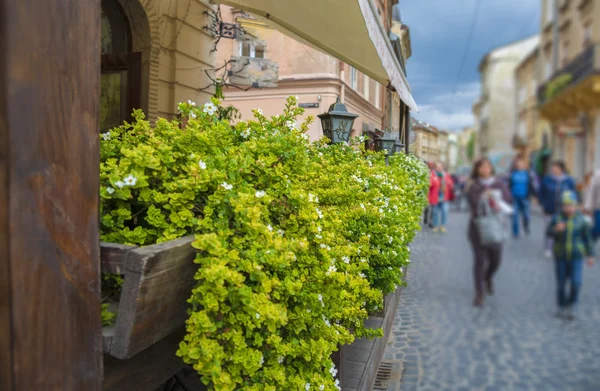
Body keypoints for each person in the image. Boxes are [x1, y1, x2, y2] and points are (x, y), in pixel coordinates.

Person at [467, 158, 512, 307]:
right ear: (478, 169)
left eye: (488, 166)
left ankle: (488, 277)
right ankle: (479, 293)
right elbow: (472, 204)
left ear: (491, 168)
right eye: (482, 166)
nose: (485, 169)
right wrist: (482, 198)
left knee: (496, 259)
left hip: (496, 227)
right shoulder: (474, 185)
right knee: (479, 261)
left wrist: (496, 199)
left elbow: (508, 200)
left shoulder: (499, 184)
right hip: (478, 228)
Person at [546, 190, 594, 320]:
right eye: (566, 205)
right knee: (561, 284)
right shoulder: (557, 218)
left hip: (576, 256)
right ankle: (561, 305)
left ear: (576, 206)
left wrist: (590, 255)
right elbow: (548, 233)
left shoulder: (582, 220)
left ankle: (573, 304)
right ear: (562, 206)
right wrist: (556, 229)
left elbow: (588, 238)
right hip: (560, 256)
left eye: (572, 205)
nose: (569, 208)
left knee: (576, 282)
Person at [539, 161, 577, 258]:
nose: (553, 169)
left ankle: (562, 248)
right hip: (549, 209)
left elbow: (574, 193)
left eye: (556, 167)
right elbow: (541, 192)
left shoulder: (569, 180)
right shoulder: (547, 179)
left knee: (564, 229)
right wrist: (543, 203)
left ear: (561, 169)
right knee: (550, 228)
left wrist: (574, 206)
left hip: (564, 210)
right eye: (552, 167)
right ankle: (549, 249)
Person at [509, 157, 536, 238]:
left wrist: (534, 196)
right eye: (518, 164)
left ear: (524, 165)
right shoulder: (512, 173)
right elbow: (509, 185)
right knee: (515, 216)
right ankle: (515, 232)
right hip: (514, 198)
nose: (519, 165)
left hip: (525, 198)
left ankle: (526, 225)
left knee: (526, 215)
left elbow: (531, 186)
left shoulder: (528, 174)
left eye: (521, 163)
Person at [433, 163, 453, 233]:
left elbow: (451, 183)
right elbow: (430, 184)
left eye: (440, 167)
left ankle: (442, 226)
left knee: (444, 211)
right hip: (435, 197)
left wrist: (448, 183)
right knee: (435, 212)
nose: (439, 168)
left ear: (442, 168)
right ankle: (435, 226)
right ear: (435, 168)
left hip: (444, 197)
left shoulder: (446, 175)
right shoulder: (433, 175)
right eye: (437, 167)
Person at [584, 169, 600, 241]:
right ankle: (589, 242)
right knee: (597, 228)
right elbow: (591, 191)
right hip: (598, 208)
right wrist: (587, 206)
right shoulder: (598, 175)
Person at [426, 162, 440, 229]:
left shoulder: (436, 174)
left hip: (435, 196)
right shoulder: (430, 174)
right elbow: (430, 184)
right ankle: (428, 220)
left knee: (433, 210)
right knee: (429, 209)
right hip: (429, 195)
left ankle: (431, 222)